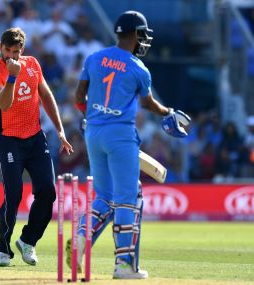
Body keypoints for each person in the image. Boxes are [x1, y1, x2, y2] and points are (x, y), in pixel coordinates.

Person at [72, 11, 191, 279]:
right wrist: (168, 112)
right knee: (129, 199)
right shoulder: (138, 68)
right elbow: (148, 103)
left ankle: (80, 239)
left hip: (93, 134)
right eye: (143, 35)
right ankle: (124, 266)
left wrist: (89, 116)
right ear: (137, 34)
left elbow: (79, 96)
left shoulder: (95, 57)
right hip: (121, 136)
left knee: (104, 197)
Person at [0, 27, 73, 267]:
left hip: (35, 137)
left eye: (16, 51)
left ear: (22, 49)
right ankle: (3, 250)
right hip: (10, 140)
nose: (12, 56)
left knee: (48, 191)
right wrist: (12, 76)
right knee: (13, 195)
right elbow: (3, 103)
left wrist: (61, 130)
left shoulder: (32, 63)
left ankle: (28, 240)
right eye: (8, 51)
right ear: (1, 48)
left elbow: (45, 94)